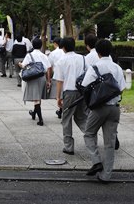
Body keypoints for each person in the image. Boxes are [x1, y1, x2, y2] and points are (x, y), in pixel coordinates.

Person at [81, 39, 126, 183]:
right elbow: (122, 87)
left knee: (89, 133)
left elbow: (85, 85)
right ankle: (106, 175)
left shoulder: (95, 67)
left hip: (99, 108)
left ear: (98, 52)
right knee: (110, 142)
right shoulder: (117, 68)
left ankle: (96, 161)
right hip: (114, 108)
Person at [54, 36, 88, 155]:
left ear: (62, 47)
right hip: (82, 92)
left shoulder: (61, 61)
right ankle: (90, 137)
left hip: (69, 92)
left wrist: (58, 97)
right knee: (81, 117)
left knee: (66, 119)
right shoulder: (84, 59)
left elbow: (59, 81)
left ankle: (69, 146)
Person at [19, 38, 51, 126]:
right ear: (41, 46)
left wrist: (20, 64)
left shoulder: (29, 55)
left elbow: (23, 66)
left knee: (36, 99)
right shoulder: (44, 56)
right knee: (38, 98)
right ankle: (34, 113)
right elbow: (48, 68)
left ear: (32, 45)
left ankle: (40, 119)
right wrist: (48, 81)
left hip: (32, 78)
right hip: (42, 78)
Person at [48, 37, 65, 118]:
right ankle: (61, 110)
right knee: (64, 95)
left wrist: (49, 79)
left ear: (55, 43)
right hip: (67, 77)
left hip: (57, 76)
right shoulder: (65, 52)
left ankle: (62, 110)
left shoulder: (53, 53)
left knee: (59, 96)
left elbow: (49, 67)